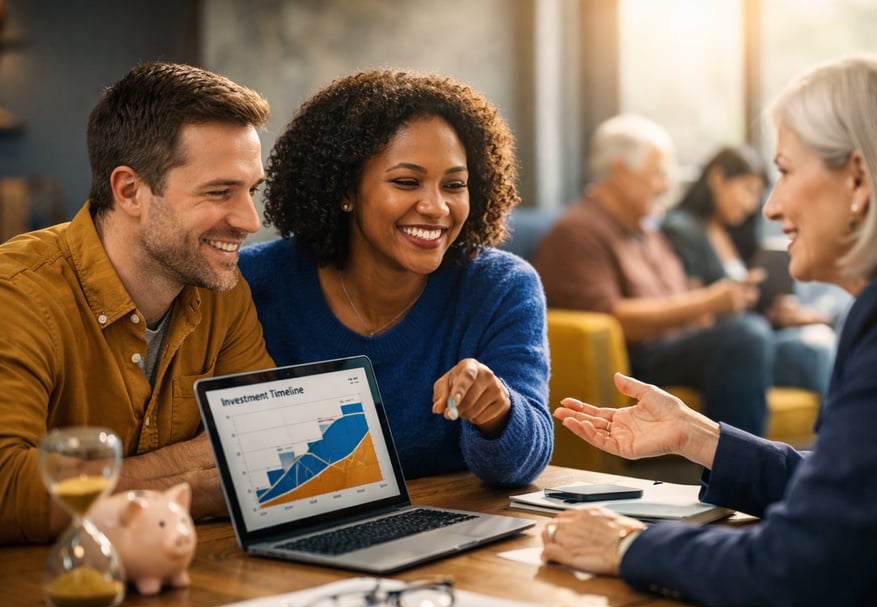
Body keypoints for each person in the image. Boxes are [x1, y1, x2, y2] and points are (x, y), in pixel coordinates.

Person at [541, 53, 877, 607]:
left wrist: (630, 544)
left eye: (785, 171)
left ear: (859, 179)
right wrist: (699, 436)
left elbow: (798, 567)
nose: (769, 206)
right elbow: (862, 489)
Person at [0, 63, 276, 545]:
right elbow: (8, 492)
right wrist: (192, 481)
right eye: (220, 192)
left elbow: (263, 447)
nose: (250, 221)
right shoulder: (16, 294)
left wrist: (94, 483)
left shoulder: (223, 289)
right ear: (130, 191)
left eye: (250, 191)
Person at [239, 69, 552, 486]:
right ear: (345, 191)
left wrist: (498, 412)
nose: (436, 207)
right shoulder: (254, 282)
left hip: (451, 518)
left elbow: (522, 465)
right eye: (407, 182)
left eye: (454, 185)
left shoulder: (500, 287)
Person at [532, 114, 774, 435]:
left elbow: (681, 297)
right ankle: (738, 464)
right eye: (659, 174)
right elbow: (615, 318)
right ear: (620, 172)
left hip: (679, 345)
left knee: (803, 352)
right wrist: (708, 302)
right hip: (637, 363)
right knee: (745, 335)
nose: (666, 187)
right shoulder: (577, 232)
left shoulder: (646, 230)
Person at [661, 145, 837, 396]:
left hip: (754, 336)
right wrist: (725, 302)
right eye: (747, 189)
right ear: (717, 178)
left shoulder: (732, 236)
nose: (752, 204)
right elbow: (692, 309)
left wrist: (778, 312)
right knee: (811, 351)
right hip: (722, 342)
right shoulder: (682, 229)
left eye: (757, 195)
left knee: (818, 342)